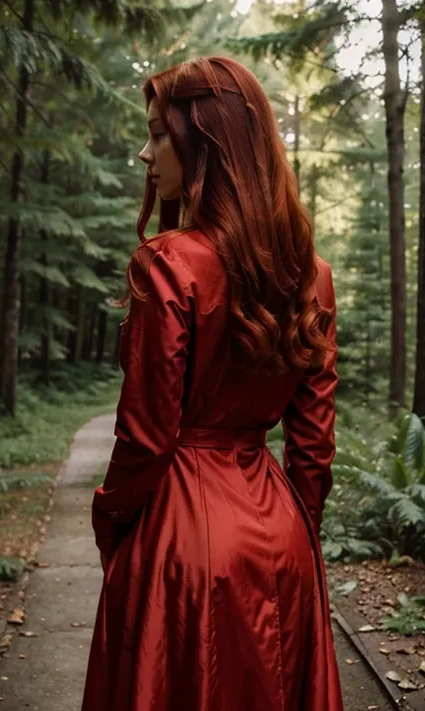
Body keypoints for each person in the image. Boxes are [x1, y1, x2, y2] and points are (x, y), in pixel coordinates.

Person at [81, 56, 344, 711]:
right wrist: (296, 541)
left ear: (207, 142)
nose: (145, 154)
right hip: (280, 531)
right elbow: (312, 449)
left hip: (181, 538)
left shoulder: (168, 264)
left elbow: (145, 436)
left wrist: (111, 520)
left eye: (158, 134)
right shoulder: (310, 275)